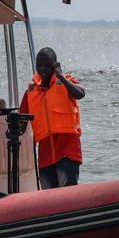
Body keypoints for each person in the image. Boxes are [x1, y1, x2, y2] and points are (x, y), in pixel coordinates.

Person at [19, 47, 85, 189]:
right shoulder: (30, 92)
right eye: (39, 65)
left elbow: (80, 93)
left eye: (47, 65)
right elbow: (21, 121)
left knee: (68, 196)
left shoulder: (67, 82)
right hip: (45, 154)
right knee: (49, 198)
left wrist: (60, 76)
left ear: (55, 65)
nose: (42, 69)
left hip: (67, 151)